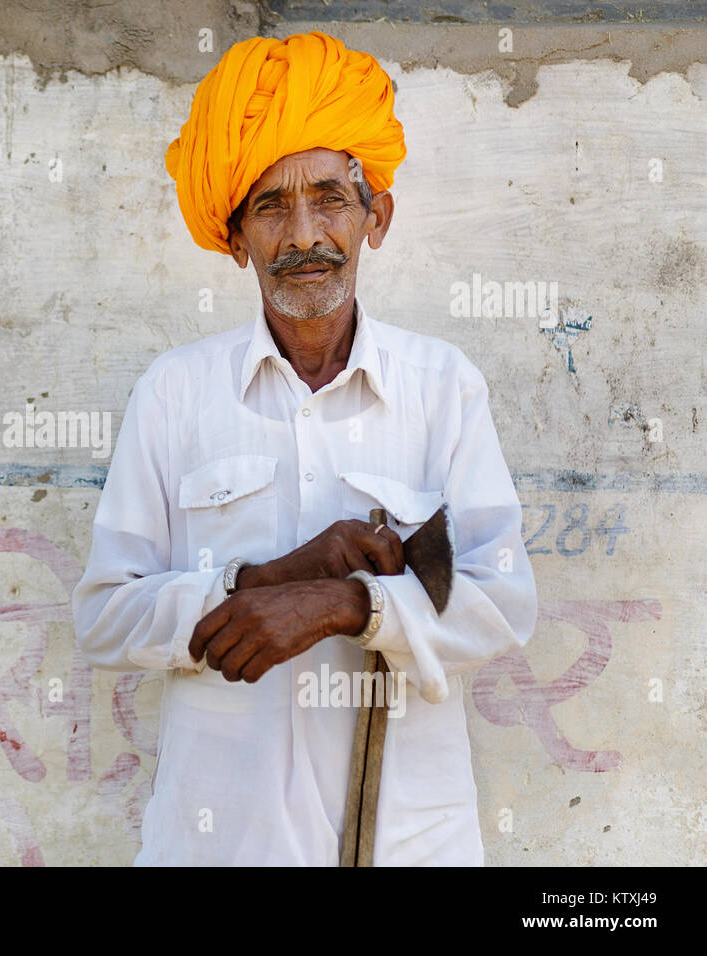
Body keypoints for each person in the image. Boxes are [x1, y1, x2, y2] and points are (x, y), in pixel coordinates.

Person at [71, 31, 537, 866]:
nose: (304, 234)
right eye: (272, 206)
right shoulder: (176, 392)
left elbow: (501, 602)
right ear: (237, 233)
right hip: (219, 842)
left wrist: (342, 604)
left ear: (375, 217)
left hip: (407, 842)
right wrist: (264, 582)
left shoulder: (443, 386)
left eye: (330, 198)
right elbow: (106, 618)